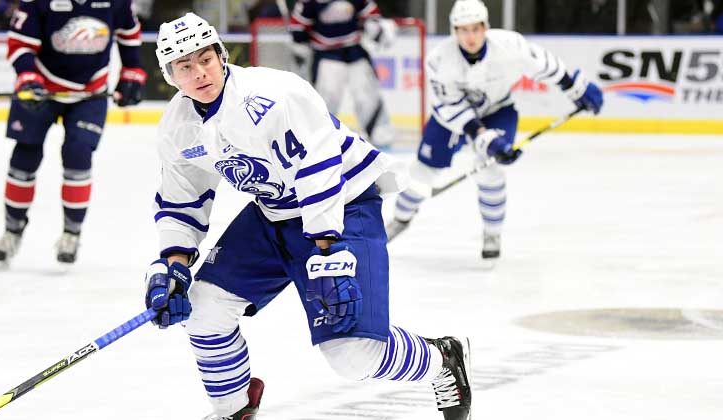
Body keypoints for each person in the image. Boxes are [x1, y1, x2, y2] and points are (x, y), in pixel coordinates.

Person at [144, 12, 472, 420]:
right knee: (203, 308)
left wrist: (328, 249)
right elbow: (182, 198)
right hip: (274, 212)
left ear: (222, 55)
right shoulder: (178, 127)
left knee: (353, 356)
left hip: (343, 204)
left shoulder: (271, 95)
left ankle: (443, 357)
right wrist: (171, 265)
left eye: (206, 58)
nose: (200, 72)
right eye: (185, 66)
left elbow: (318, 168)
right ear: (169, 75)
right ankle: (234, 409)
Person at [390, 0, 603, 259]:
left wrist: (575, 88)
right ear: (454, 31)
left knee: (490, 169)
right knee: (421, 171)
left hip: (498, 111)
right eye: (463, 29)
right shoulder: (438, 61)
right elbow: (452, 108)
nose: (470, 36)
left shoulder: (508, 45)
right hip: (450, 121)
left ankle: (492, 232)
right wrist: (483, 137)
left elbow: (544, 64)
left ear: (485, 28)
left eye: (476, 29)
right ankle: (400, 218)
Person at [0, 0, 146, 266]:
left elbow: (128, 33)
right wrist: (27, 76)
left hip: (90, 92)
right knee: (24, 157)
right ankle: (12, 230)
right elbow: (20, 43)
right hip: (41, 89)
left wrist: (132, 71)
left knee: (78, 154)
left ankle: (71, 233)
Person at [288, 0, 398, 148]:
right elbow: (299, 28)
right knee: (327, 97)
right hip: (326, 54)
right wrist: (299, 44)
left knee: (367, 94)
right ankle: (319, 140)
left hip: (354, 50)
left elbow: (371, 16)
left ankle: (381, 136)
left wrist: (377, 28)